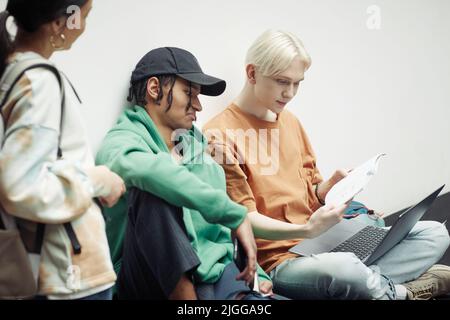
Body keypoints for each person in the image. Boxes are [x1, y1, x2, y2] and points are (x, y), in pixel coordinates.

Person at [203, 29, 450, 300]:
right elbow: (244, 218)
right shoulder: (219, 135)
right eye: (282, 81)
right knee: (346, 269)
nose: (290, 93)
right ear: (252, 73)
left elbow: (310, 191)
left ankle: (371, 286)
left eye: (298, 83)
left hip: (325, 242)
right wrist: (306, 230)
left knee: (435, 233)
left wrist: (328, 189)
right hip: (282, 261)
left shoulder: (290, 122)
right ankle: (405, 293)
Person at [96, 47, 274, 300]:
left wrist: (258, 275)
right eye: (188, 93)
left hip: (211, 274)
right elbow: (151, 171)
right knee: (152, 189)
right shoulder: (122, 141)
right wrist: (234, 214)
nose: (199, 106)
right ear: (154, 88)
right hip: (145, 279)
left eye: (198, 95)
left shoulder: (198, 148)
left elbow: (220, 234)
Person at [0, 0, 125, 300]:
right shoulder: (39, 81)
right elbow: (21, 186)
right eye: (85, 15)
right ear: (59, 23)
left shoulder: (14, 72)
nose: (83, 25)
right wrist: (99, 180)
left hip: (54, 269)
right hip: (68, 274)